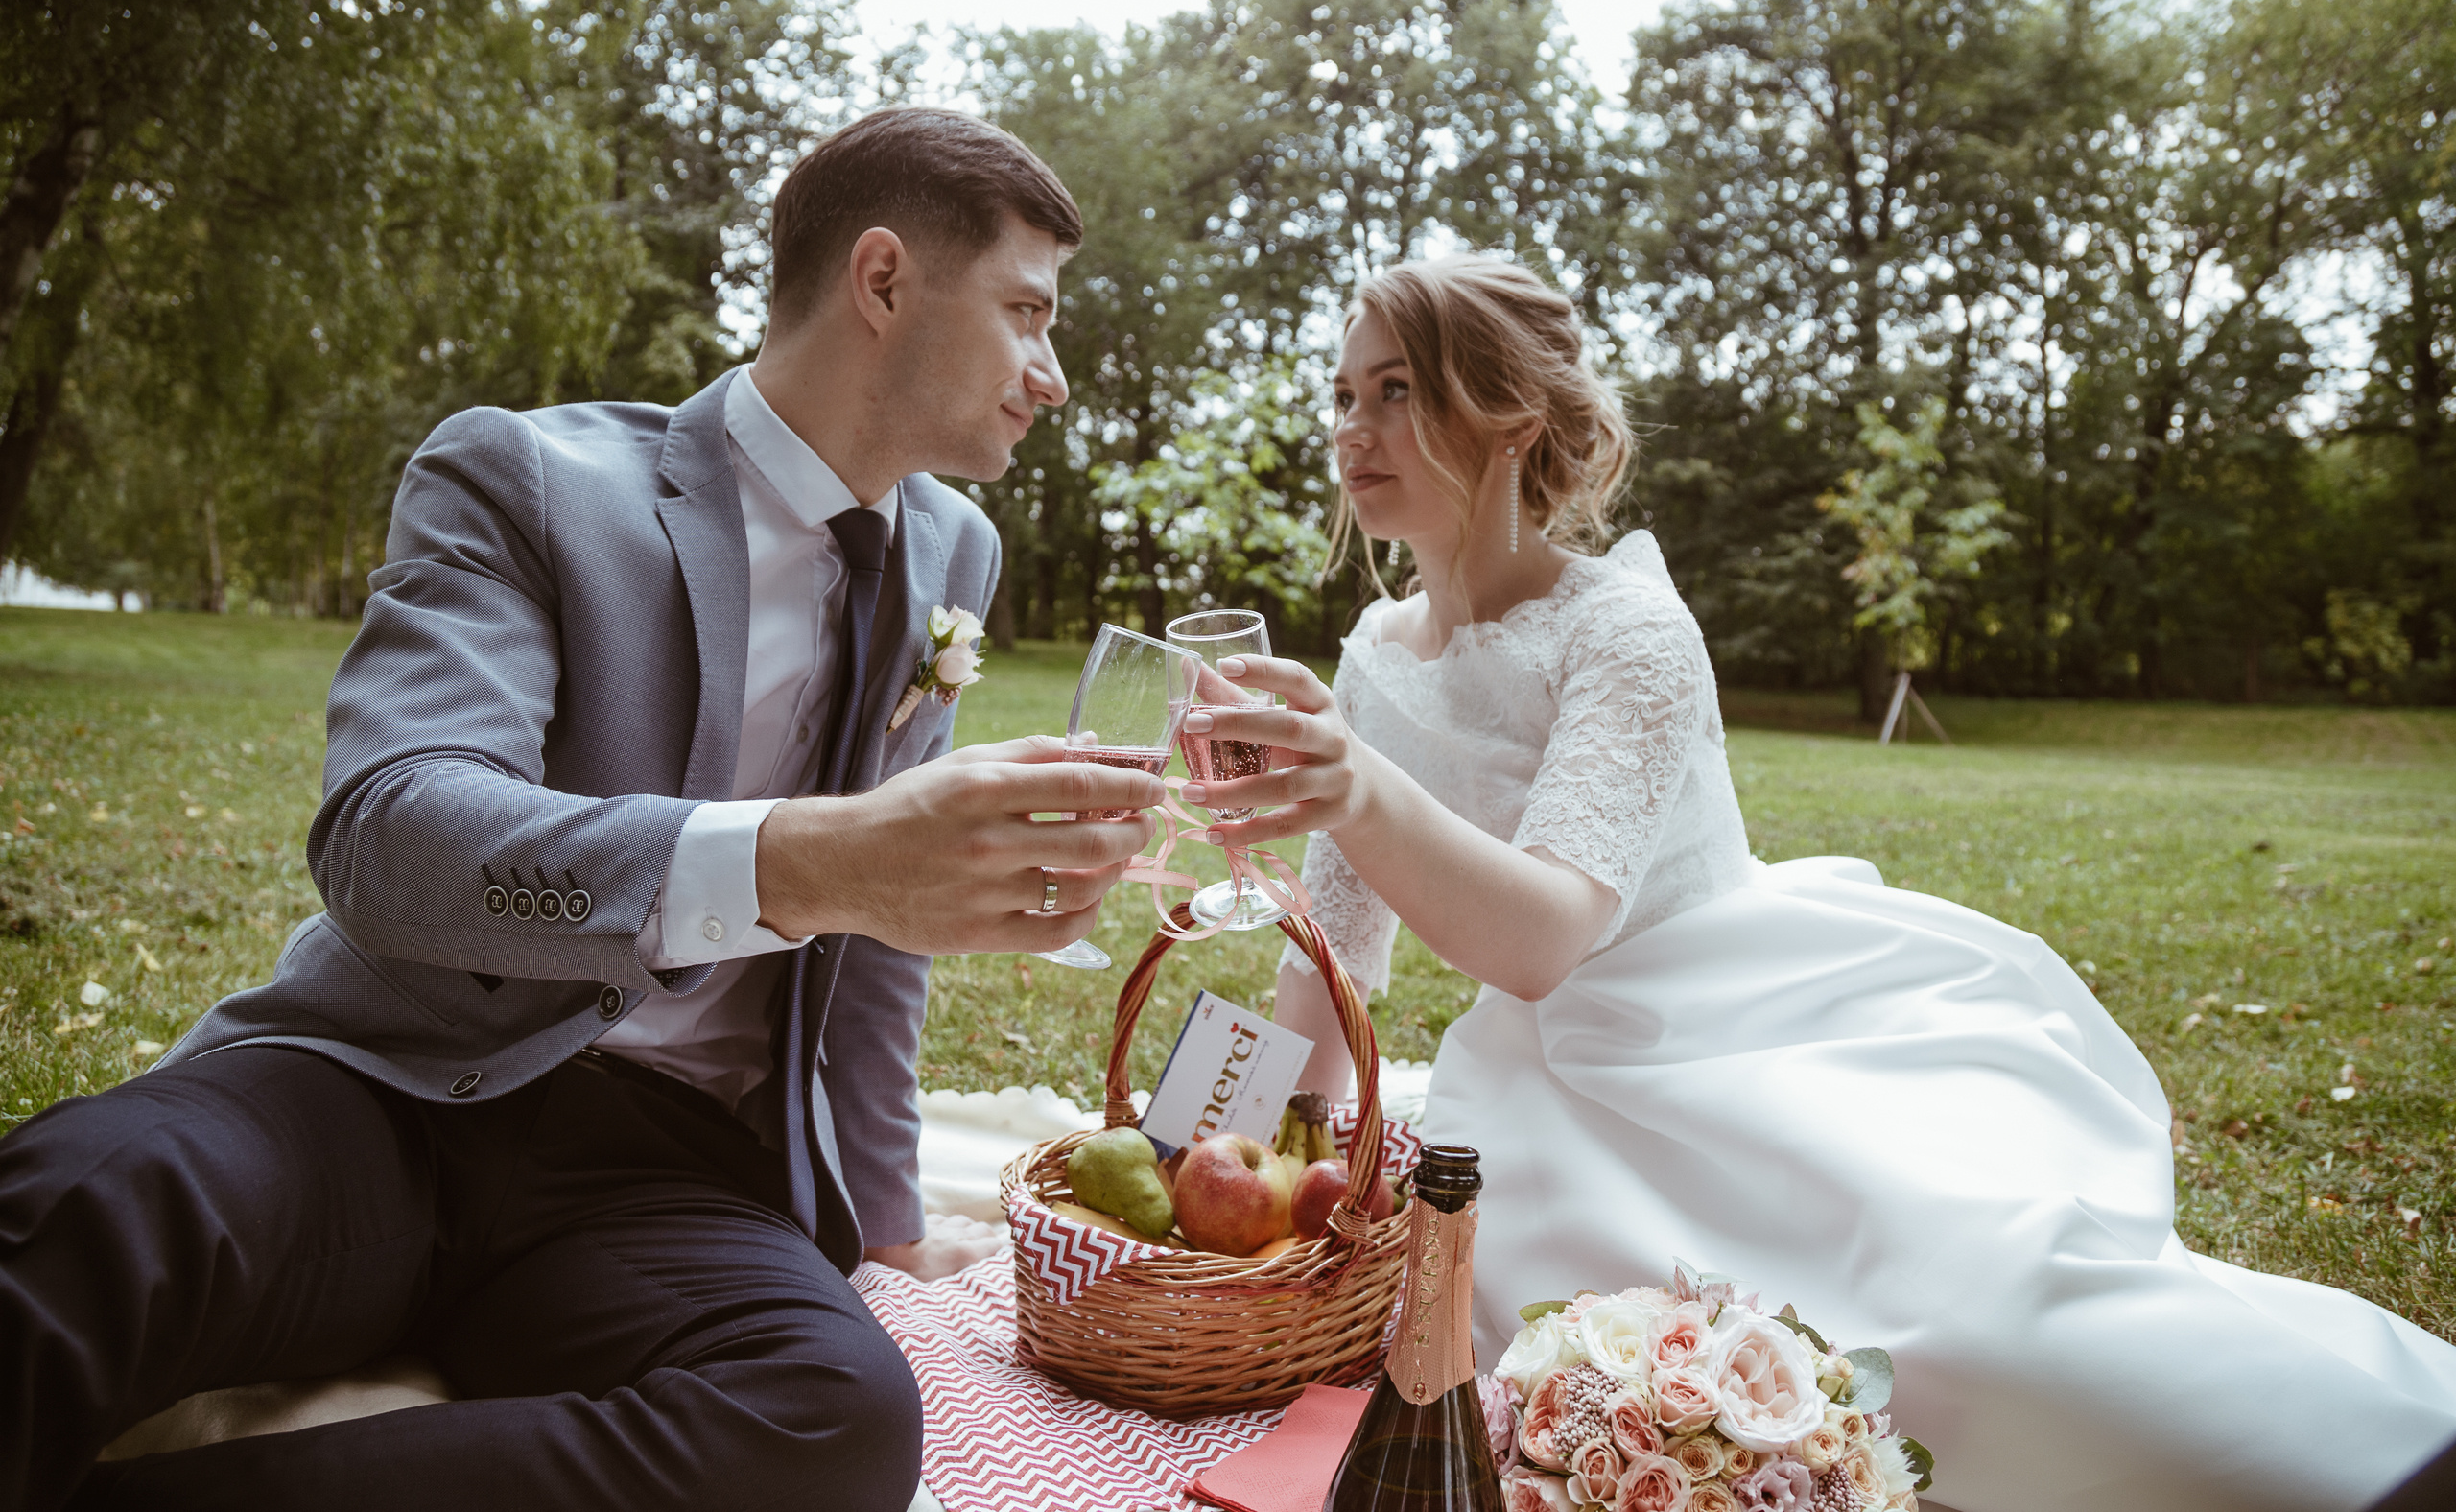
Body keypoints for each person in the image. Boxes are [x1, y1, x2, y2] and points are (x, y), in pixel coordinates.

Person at [0, 108, 1163, 1512]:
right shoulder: (529, 479)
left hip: (658, 1178)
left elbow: (876, 951)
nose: (1051, 375)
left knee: (834, 1418)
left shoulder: (954, 548)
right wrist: (801, 862)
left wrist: (889, 1232)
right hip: (384, 1088)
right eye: (1028, 315)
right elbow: (395, 839)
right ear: (884, 280)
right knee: (71, 1214)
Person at [1184, 251, 2456, 1512]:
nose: (1356, 428)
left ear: (1510, 419)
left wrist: (1353, 784)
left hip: (1748, 1028)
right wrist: (1205, 1173)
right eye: (1344, 395)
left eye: (1397, 389)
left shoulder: (1626, 630)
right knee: (1604, 1371)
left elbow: (1545, 932)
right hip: (1538, 1087)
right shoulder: (1369, 661)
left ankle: (2376, 1446)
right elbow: (1330, 966)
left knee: (1982, 1335)